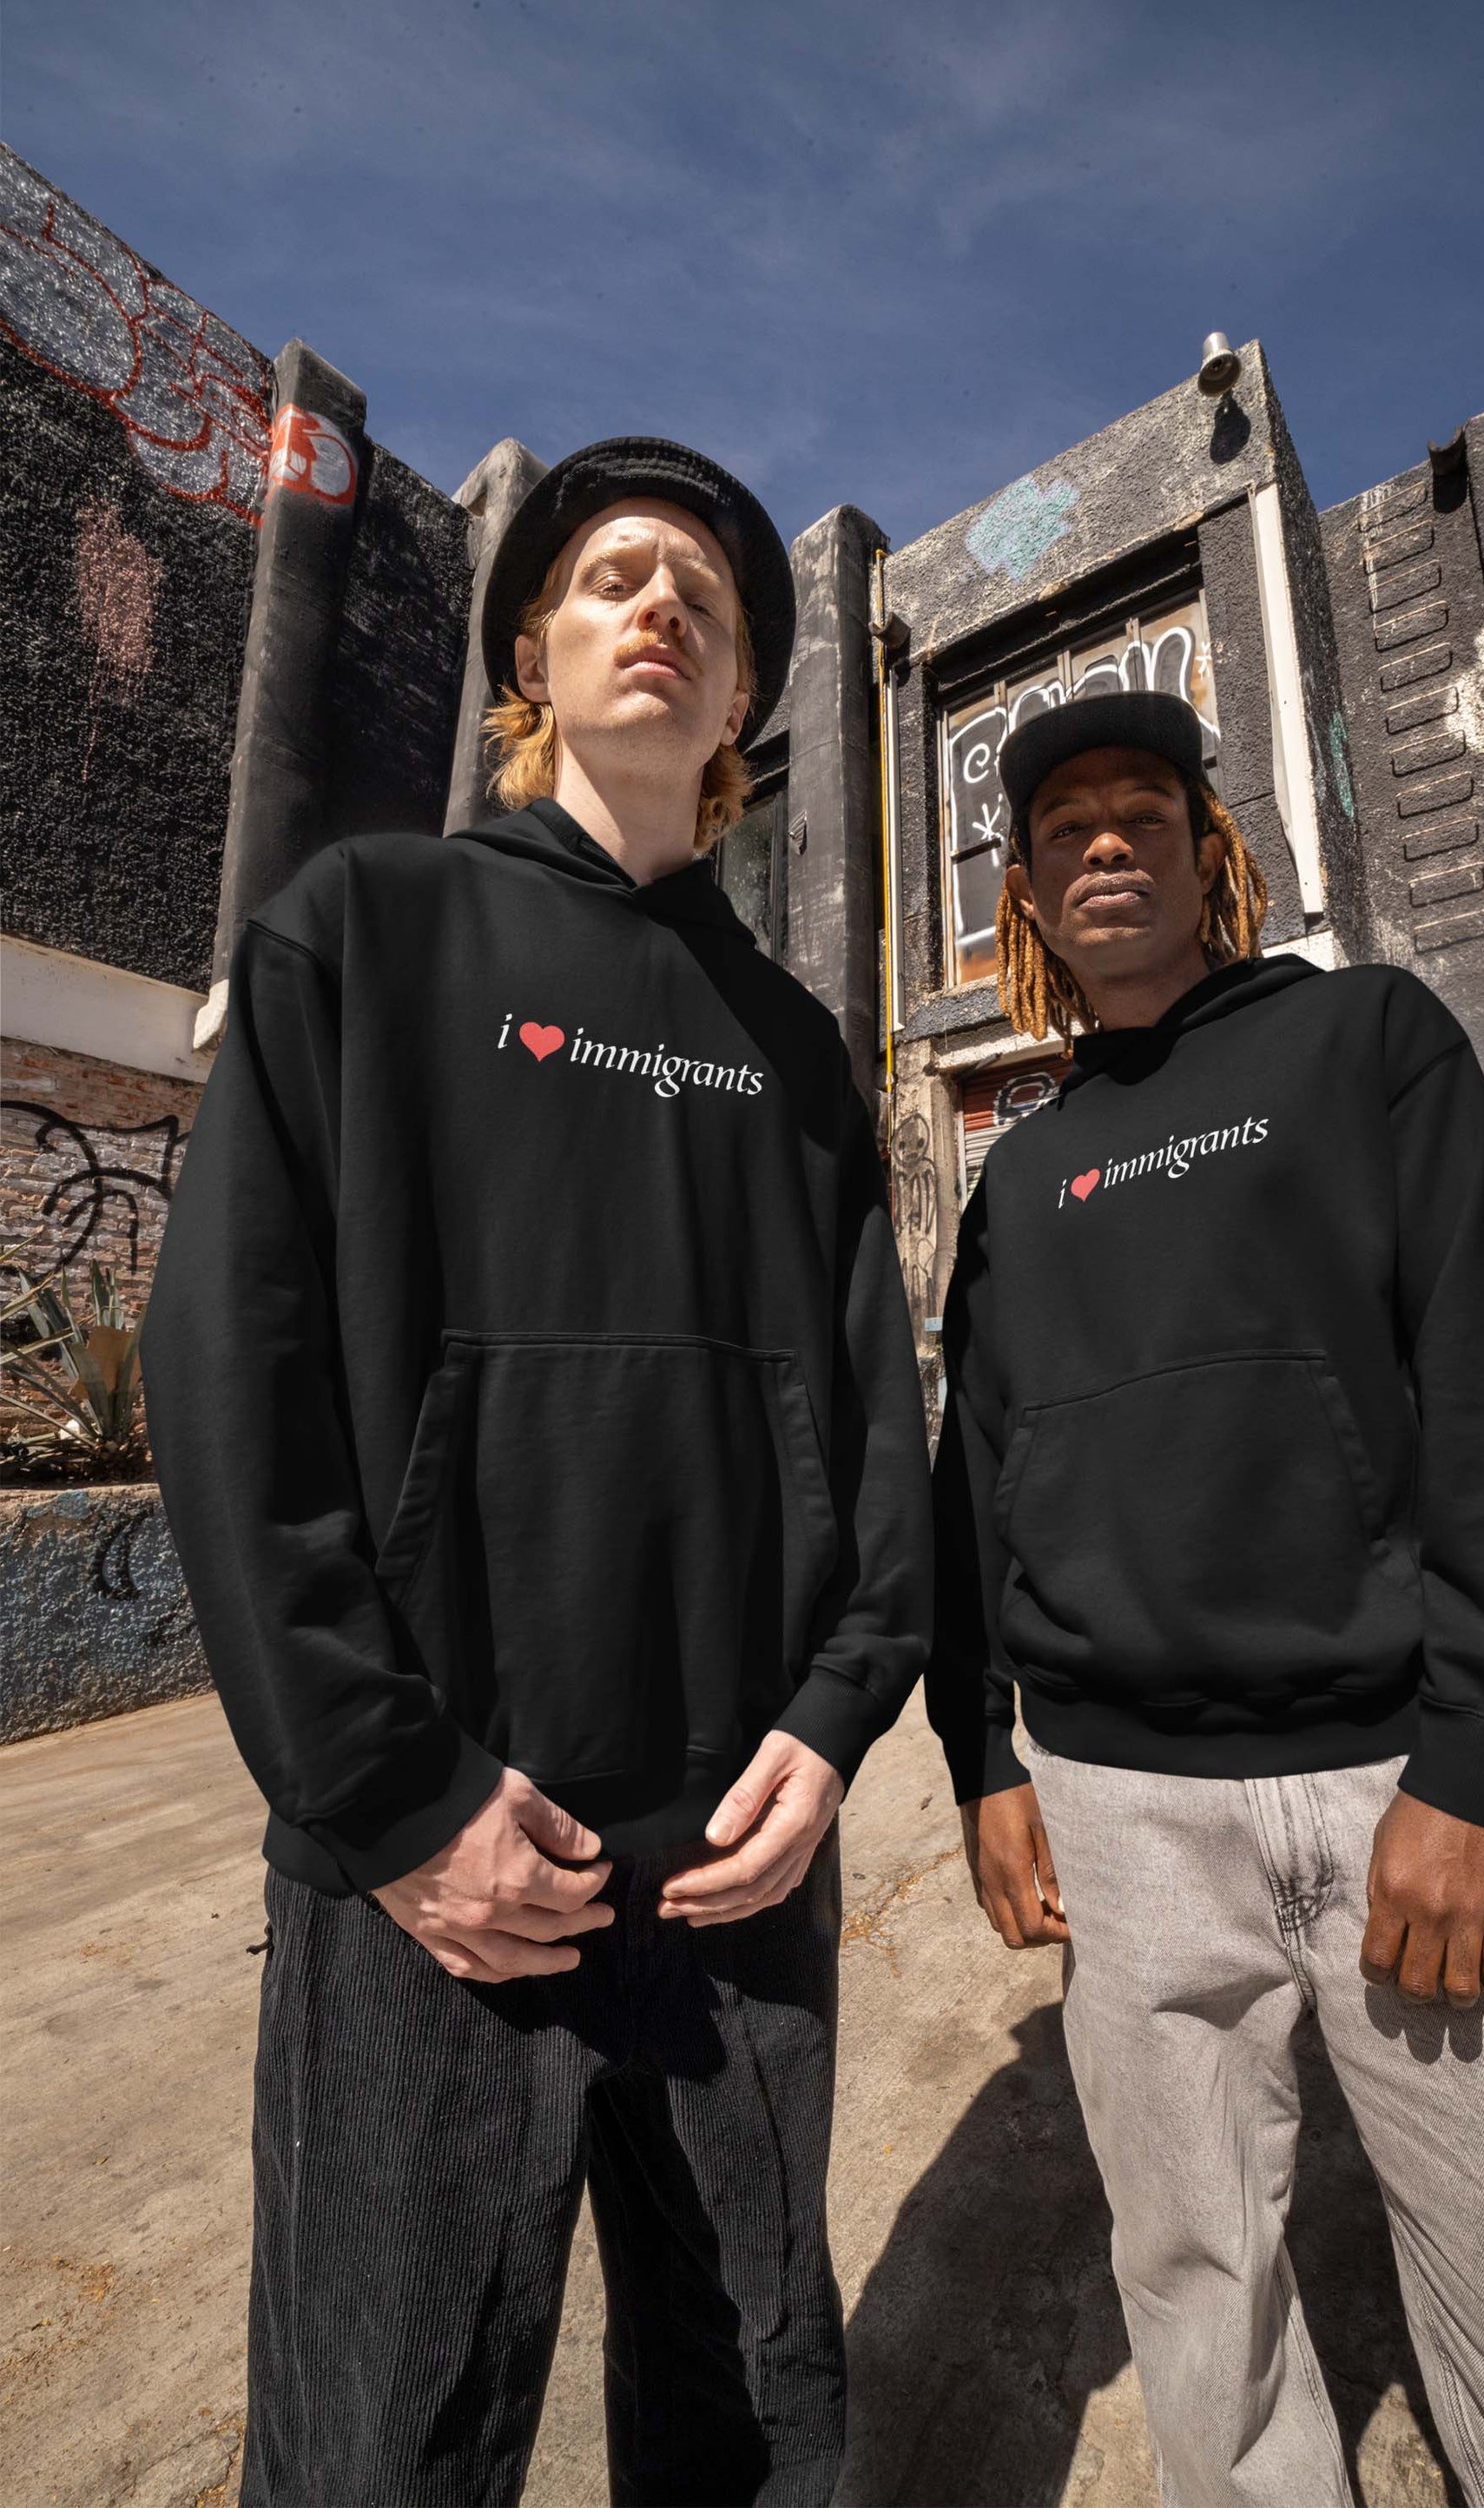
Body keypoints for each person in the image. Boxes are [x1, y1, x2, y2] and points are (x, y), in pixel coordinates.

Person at [143, 436, 932, 2508]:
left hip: (734, 1863)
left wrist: (835, 1718)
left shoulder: (797, 1045)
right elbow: (230, 1372)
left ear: (742, 693)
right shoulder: (363, 930)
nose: (658, 603)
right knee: (384, 2443)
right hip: (434, 1867)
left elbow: (876, 1420)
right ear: (531, 656)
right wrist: (387, 1790)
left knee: (750, 2415)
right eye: (610, 575)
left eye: (705, 596)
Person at [927, 689, 1484, 2508]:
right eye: (1062, 829)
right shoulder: (1018, 1174)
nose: (1104, 843)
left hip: (1391, 1779)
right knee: (1205, 2297)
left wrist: (1477, 1758)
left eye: (1143, 810)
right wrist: (983, 1752)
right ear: (1025, 897)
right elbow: (976, 1475)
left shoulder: (1367, 1041)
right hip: (1119, 1807)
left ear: (1212, 854)